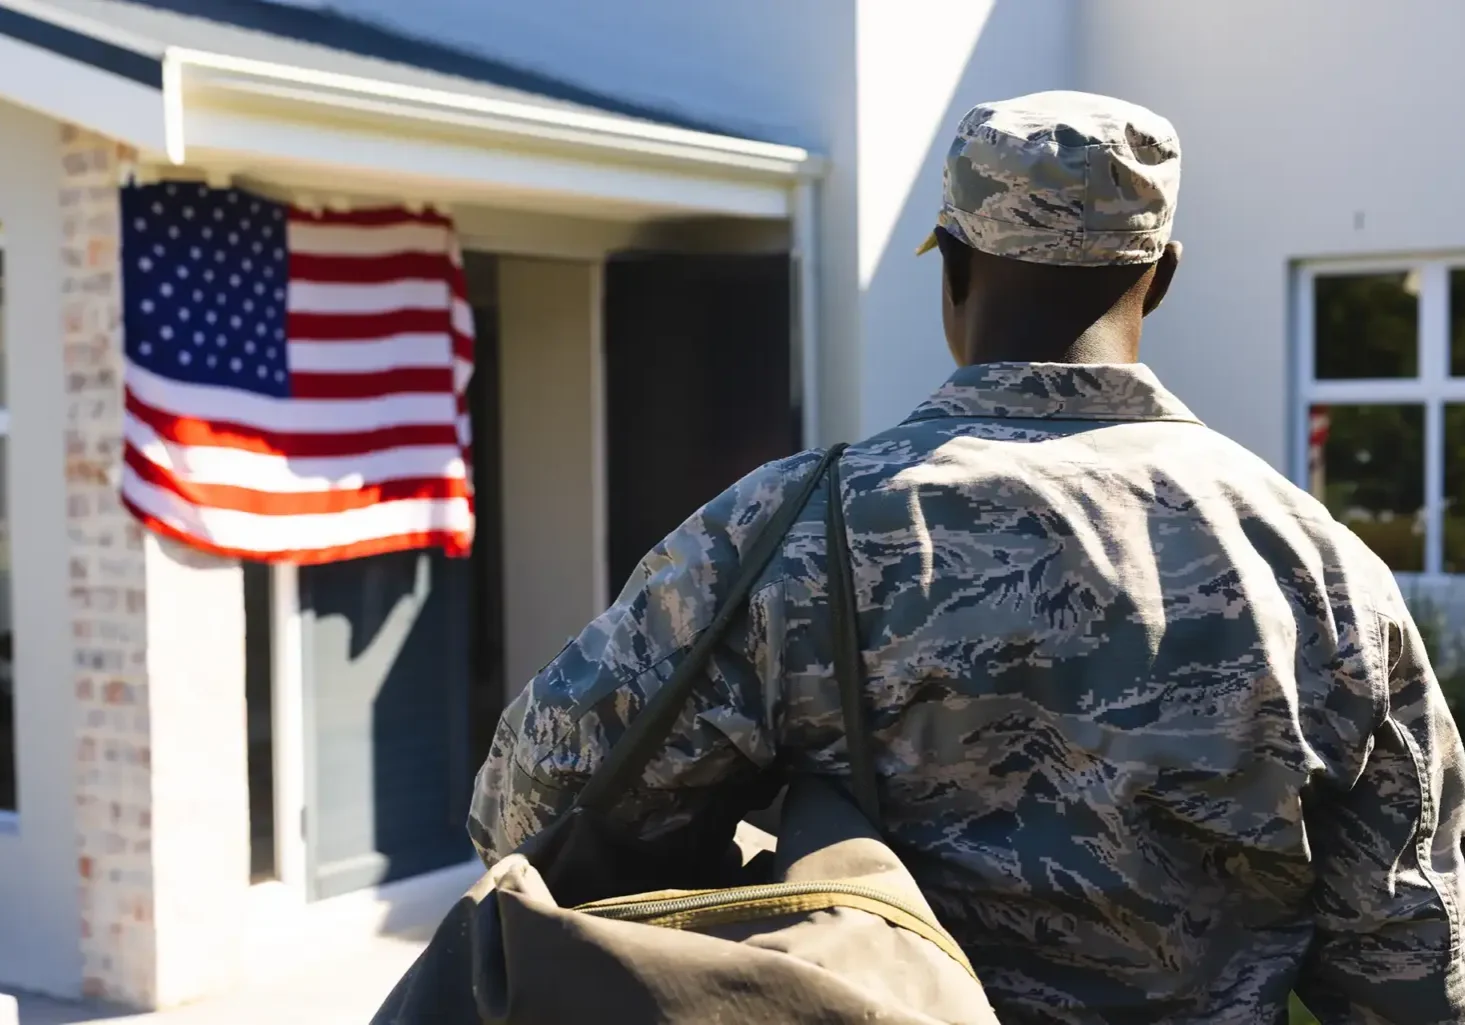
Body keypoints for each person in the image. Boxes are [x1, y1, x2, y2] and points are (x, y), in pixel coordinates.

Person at [468, 91, 1465, 1023]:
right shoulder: (1317, 569)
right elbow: (1410, 961)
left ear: (949, 264)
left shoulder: (795, 528)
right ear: (1160, 278)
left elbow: (535, 808)